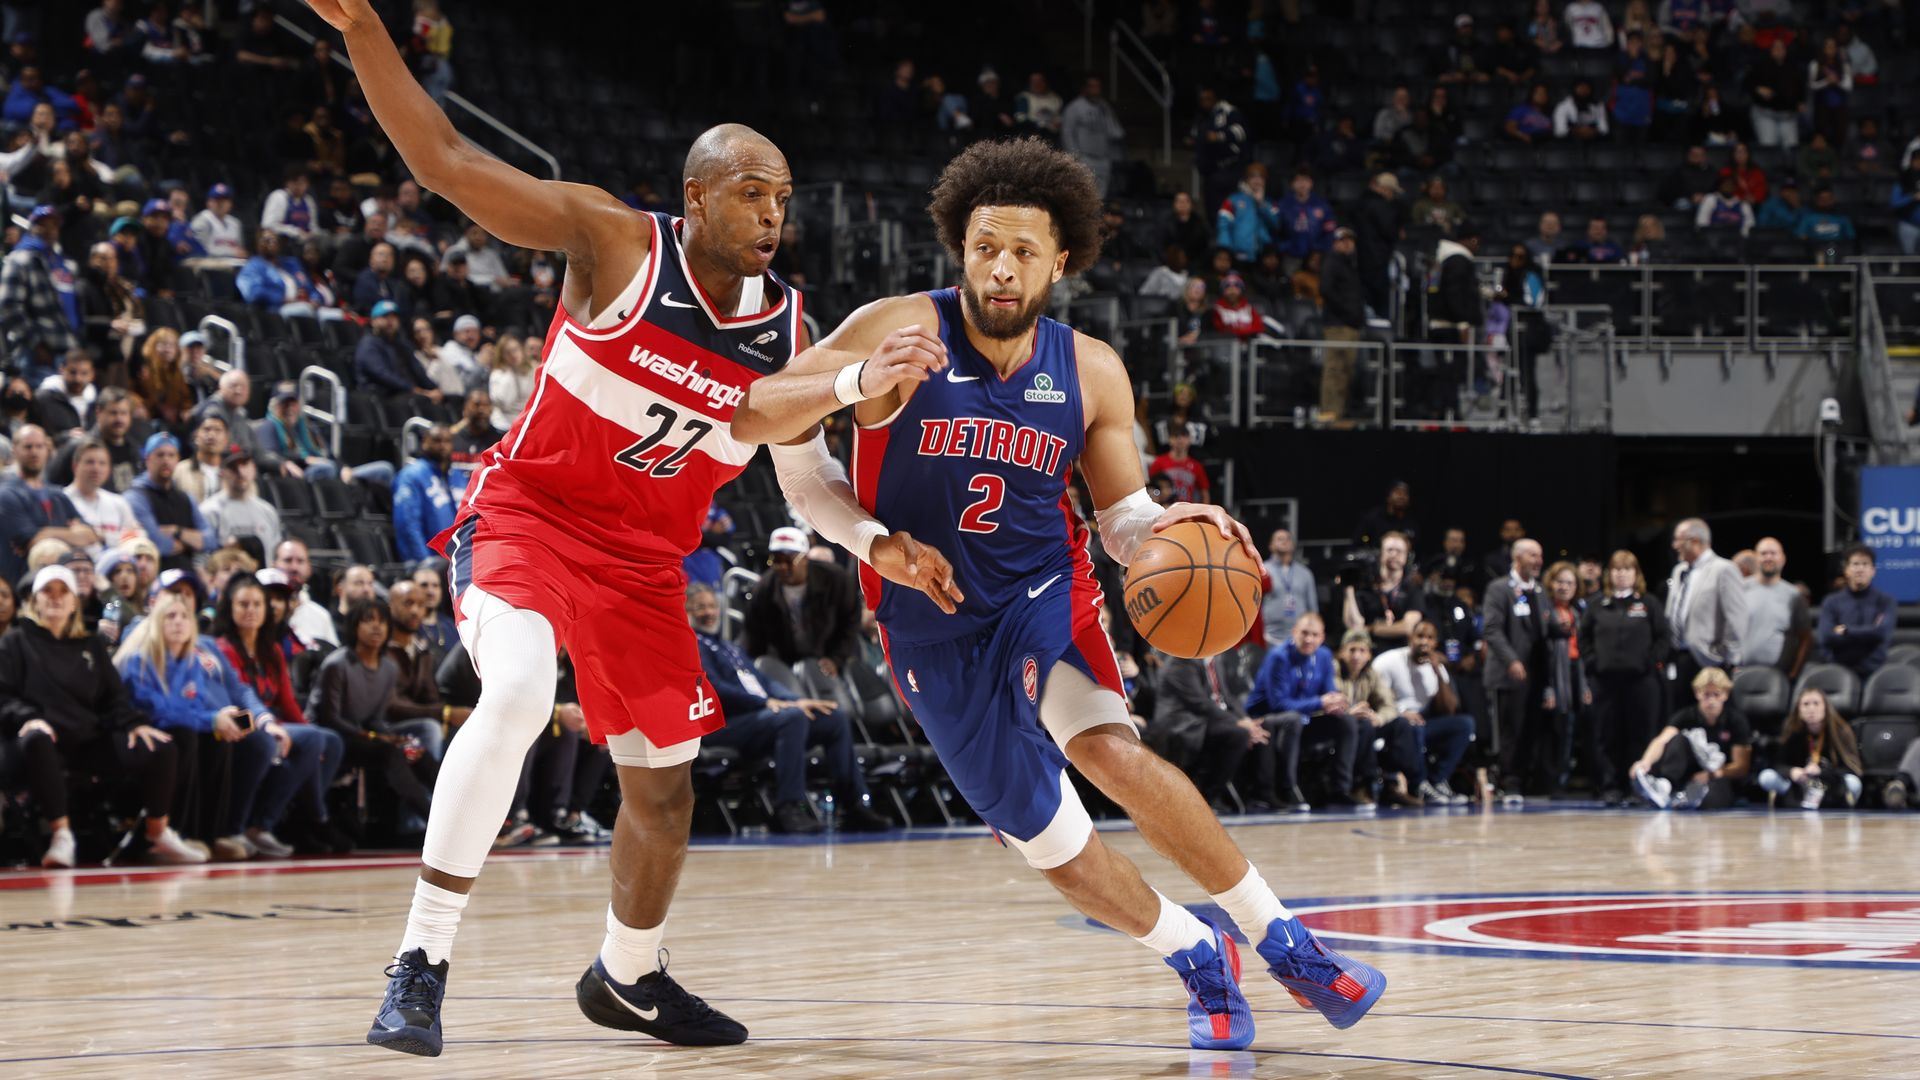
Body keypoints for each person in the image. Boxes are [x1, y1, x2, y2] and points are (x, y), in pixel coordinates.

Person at [310, 0, 950, 1056]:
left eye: (783, 199)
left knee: (665, 785)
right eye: (752, 192)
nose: (771, 213)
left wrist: (876, 522)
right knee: (515, 691)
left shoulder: (783, 327)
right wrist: (366, 29)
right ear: (696, 197)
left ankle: (629, 975)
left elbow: (796, 466)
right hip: (533, 518)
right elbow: (446, 161)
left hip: (646, 565)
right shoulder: (613, 243)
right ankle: (420, 961)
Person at [732, 137, 1387, 1049]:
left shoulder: (1090, 369)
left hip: (1046, 589)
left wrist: (1167, 524)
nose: (1001, 269)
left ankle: (1286, 942)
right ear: (960, 246)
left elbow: (1121, 523)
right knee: (1055, 848)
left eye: (1023, 252)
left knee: (1112, 755)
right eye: (985, 247)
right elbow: (763, 420)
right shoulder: (896, 330)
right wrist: (873, 526)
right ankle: (1197, 954)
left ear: (1061, 260)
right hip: (931, 627)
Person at [1, 564, 202, 867]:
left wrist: (132, 723)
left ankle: (157, 834)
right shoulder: (14, 641)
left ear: (74, 602)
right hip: (34, 744)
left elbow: (114, 697)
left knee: (162, 747)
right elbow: (2, 695)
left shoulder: (91, 644)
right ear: (34, 600)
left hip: (86, 739)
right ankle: (61, 835)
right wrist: (27, 717)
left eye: (63, 592)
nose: (55, 599)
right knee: (37, 738)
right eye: (47, 592)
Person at [686, 583, 890, 833]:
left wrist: (796, 700)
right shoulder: (692, 645)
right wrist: (766, 703)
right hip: (726, 724)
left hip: (763, 718)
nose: (708, 612)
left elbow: (765, 682)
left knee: (832, 719)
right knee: (792, 718)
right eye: (700, 607)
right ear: (686, 612)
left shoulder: (731, 648)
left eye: (711, 606)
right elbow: (714, 688)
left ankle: (854, 805)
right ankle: (788, 808)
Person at [113, 590, 292, 861]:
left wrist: (233, 718)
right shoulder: (140, 660)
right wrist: (214, 719)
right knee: (189, 736)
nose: (178, 622)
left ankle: (214, 835)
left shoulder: (195, 658)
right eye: (170, 616)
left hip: (202, 722)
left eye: (184, 616)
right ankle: (177, 832)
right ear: (157, 622)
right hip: (147, 731)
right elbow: (159, 712)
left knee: (223, 738)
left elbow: (213, 699)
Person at [213, 571, 345, 855]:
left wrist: (306, 730)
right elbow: (237, 699)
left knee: (329, 741)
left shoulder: (270, 649)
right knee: (310, 740)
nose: (251, 611)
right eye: (243, 604)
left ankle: (286, 821)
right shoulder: (223, 649)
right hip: (237, 719)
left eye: (257, 604)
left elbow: (287, 701)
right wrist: (296, 732)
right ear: (230, 608)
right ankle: (304, 820)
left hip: (270, 720)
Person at [307, 598, 439, 821]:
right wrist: (376, 737)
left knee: (415, 749)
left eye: (382, 622)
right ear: (354, 626)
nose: (377, 627)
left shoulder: (388, 667)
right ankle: (432, 820)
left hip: (365, 735)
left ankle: (467, 817)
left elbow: (377, 718)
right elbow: (330, 718)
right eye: (368, 621)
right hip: (335, 738)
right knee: (390, 753)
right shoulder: (337, 664)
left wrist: (393, 737)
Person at [1579, 550, 1668, 805]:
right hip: (1606, 682)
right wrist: (1594, 663)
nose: (1621, 574)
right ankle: (1610, 786)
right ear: (1610, 574)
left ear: (1636, 574)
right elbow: (1583, 638)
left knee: (1641, 733)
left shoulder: (1648, 603)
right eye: (1617, 569)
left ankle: (1638, 786)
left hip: (1641, 681)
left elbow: (1663, 637)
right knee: (1607, 734)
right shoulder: (1598, 605)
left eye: (1627, 569)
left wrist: (1648, 663)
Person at [742, 526, 862, 687]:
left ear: (805, 558)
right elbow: (754, 636)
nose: (782, 567)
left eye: (789, 560)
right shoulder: (764, 589)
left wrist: (836, 658)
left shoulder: (836, 578)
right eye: (777, 560)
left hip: (832, 659)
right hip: (788, 664)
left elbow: (850, 621)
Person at [1370, 621, 1476, 804]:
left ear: (1435, 643)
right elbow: (1372, 698)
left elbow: (1449, 709)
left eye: (1429, 638)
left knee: (1464, 724)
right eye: (1419, 636)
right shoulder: (1388, 661)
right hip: (1394, 724)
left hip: (1421, 722)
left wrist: (1437, 672)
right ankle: (1419, 784)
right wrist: (1401, 712)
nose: (1424, 642)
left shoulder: (1436, 668)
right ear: (1410, 638)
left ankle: (1437, 780)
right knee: (1413, 726)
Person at [1630, 666, 1752, 809]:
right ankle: (1665, 786)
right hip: (1687, 773)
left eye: (1716, 694)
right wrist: (1645, 762)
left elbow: (1741, 766)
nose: (1711, 700)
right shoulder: (1686, 716)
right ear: (1697, 693)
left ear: (1725, 695)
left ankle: (1688, 798)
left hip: (1717, 777)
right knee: (1677, 739)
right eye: (1706, 694)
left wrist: (1712, 774)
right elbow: (1662, 740)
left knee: (1712, 799)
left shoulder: (1736, 721)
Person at [1483, 537, 1544, 798]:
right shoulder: (1499, 589)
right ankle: (1508, 781)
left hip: (1537, 674)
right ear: (1517, 558)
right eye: (1532, 555)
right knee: (1511, 731)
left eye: (1540, 555)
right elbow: (1492, 630)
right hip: (1509, 674)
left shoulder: (1540, 591)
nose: (1538, 561)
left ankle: (1528, 779)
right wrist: (1512, 660)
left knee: (1532, 729)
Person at [0, 424, 97, 582]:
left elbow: (91, 535)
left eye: (39, 446)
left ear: (48, 449)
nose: (34, 452)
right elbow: (33, 541)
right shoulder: (6, 494)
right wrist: (72, 534)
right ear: (14, 451)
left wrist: (46, 533)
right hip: (20, 583)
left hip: (62, 583)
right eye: (28, 447)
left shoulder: (58, 494)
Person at [1664, 517, 1746, 691]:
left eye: (1678, 539)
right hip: (1679, 658)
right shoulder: (1679, 570)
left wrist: (1726, 659)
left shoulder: (1724, 569)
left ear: (1694, 541)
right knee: (1680, 716)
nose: (1674, 545)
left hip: (1709, 660)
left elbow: (1736, 619)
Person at [1757, 688, 1863, 809]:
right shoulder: (1792, 730)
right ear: (1799, 709)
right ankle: (1790, 798)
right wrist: (1791, 771)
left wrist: (1821, 772)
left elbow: (1852, 768)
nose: (1811, 709)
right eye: (1806, 704)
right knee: (1766, 776)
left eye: (1816, 703)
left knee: (1853, 782)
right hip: (1800, 784)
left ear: (1825, 708)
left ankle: (1846, 805)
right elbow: (1778, 763)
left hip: (1830, 784)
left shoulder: (1841, 731)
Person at [1537, 561, 1589, 796]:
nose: (1564, 587)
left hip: (1575, 672)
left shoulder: (1578, 611)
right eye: (1560, 582)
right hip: (1553, 675)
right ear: (1551, 583)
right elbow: (1541, 652)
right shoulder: (1545, 610)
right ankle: (1551, 782)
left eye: (1569, 582)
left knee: (1569, 731)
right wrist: (1548, 689)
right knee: (1552, 732)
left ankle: (1564, 779)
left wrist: (1585, 685)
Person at [124, 432, 207, 573]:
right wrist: (191, 543)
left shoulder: (185, 497)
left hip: (186, 575)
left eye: (171, 455)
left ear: (178, 459)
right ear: (147, 459)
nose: (166, 460)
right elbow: (158, 544)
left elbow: (209, 540)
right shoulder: (135, 496)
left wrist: (177, 531)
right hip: (151, 575)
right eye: (160, 455)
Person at [1816, 544, 1895, 680]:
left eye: (1865, 564)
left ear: (1873, 570)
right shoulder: (1831, 601)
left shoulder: (1886, 601)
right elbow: (1826, 636)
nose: (1860, 569)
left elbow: (1881, 633)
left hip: (1874, 673)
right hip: (1838, 672)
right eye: (1855, 564)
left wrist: (1846, 631)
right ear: (1846, 570)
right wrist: (1869, 632)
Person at [62, 436, 145, 556]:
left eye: (102, 463)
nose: (96, 468)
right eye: (90, 462)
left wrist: (101, 537)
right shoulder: (63, 499)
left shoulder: (118, 502)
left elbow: (138, 537)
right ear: (75, 466)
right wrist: (118, 538)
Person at [1344, 530, 1423, 651]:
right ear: (1381, 553)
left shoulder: (1413, 589)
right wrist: (1348, 588)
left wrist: (1372, 629)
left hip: (1401, 651)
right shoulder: (1365, 586)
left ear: (1407, 556)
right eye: (1390, 550)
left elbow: (1407, 627)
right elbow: (1354, 625)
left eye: (1399, 551)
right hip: (1368, 651)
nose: (1394, 554)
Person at [1744, 536, 1810, 677]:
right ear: (1756, 559)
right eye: (1763, 553)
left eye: (1773, 553)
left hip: (1778, 677)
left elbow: (1805, 638)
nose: (1768, 557)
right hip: (1741, 672)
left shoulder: (1793, 595)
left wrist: (1794, 673)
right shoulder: (1740, 589)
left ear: (1783, 558)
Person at [201, 450, 282, 560]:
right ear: (222, 472)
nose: (240, 472)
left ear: (254, 468)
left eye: (244, 465)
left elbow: (276, 556)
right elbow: (203, 559)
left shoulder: (268, 511)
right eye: (233, 467)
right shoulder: (209, 511)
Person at [393, 424, 455, 563]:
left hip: (456, 562)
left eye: (447, 441)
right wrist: (424, 562)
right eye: (437, 440)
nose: (442, 446)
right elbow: (407, 524)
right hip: (428, 563)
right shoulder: (411, 475)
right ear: (424, 443)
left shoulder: (457, 476)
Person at [1260, 527, 1316, 647]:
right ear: (1271, 546)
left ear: (1293, 545)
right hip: (1269, 637)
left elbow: (1313, 608)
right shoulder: (1262, 570)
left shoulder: (1305, 573)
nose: (1284, 541)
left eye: (1288, 539)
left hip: (1299, 638)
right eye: (1279, 539)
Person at [1148, 428, 1210, 503]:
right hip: (1164, 509)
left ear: (1189, 439)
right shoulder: (1159, 462)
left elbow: (1204, 494)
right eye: (1176, 436)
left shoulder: (1196, 466)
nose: (1180, 440)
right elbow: (1149, 488)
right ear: (1170, 439)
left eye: (1184, 436)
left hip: (1187, 509)